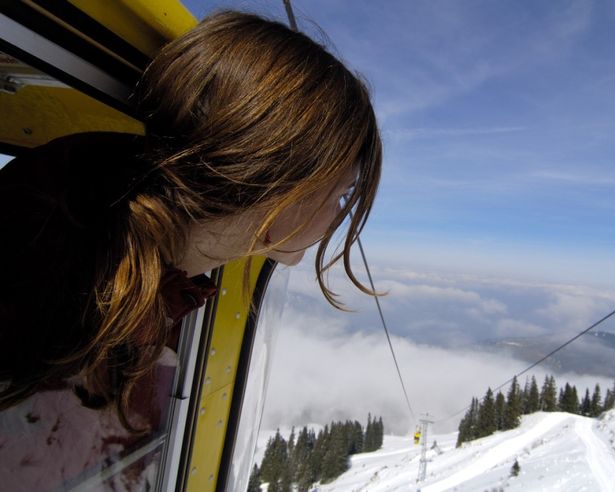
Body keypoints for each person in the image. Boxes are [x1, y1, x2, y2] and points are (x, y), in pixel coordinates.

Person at [0, 11, 382, 431]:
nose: (338, 217)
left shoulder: (109, 247)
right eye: (341, 192)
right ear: (280, 184)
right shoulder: (43, 269)